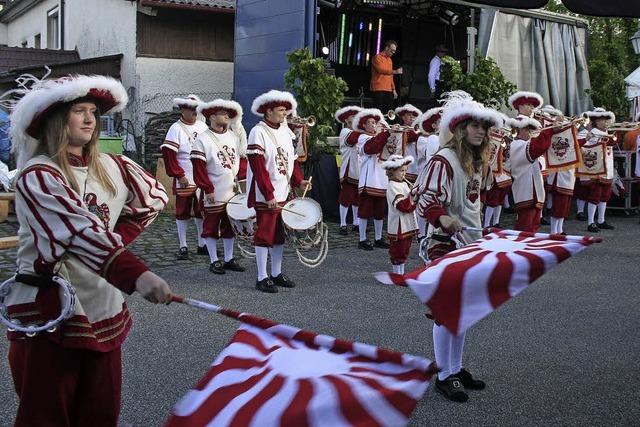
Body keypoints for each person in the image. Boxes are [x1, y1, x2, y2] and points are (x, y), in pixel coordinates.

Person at [3, 74, 172, 426]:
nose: (90, 118)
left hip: (102, 302)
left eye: (92, 111)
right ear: (55, 120)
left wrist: (119, 239)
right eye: (78, 110)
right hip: (51, 312)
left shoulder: (115, 165)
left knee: (100, 413)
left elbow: (153, 199)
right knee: (46, 416)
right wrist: (135, 272)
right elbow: (78, 230)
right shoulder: (38, 175)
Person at [413, 91, 503, 402]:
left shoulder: (477, 160)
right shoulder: (444, 159)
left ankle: (456, 367)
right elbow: (424, 199)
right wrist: (443, 219)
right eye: (474, 126)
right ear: (461, 128)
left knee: (463, 312)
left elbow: (473, 202)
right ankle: (444, 374)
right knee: (446, 312)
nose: (481, 131)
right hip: (444, 244)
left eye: (484, 127)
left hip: (471, 244)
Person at [246, 90, 310, 293]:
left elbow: (291, 160)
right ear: (269, 111)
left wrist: (299, 181)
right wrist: (268, 194)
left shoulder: (284, 130)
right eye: (281, 110)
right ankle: (261, 277)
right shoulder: (258, 132)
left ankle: (276, 273)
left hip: (283, 192)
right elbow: (258, 167)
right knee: (264, 235)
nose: (285, 114)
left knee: (279, 235)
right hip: (267, 194)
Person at [191, 99, 246, 274]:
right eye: (223, 114)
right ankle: (214, 260)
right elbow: (199, 169)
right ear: (212, 116)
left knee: (229, 225)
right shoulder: (202, 140)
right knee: (211, 226)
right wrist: (207, 189)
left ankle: (229, 258)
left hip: (231, 190)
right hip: (213, 191)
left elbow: (240, 161)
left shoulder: (232, 136)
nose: (227, 116)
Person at [161, 94, 209, 260]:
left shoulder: (203, 127)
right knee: (182, 212)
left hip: (201, 176)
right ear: (182, 109)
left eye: (196, 108)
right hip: (185, 177)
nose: (194, 112)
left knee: (200, 211)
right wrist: (179, 175)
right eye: (191, 109)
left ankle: (202, 244)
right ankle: (183, 246)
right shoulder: (175, 128)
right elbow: (169, 154)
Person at [352, 108, 394, 250]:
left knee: (379, 212)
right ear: (363, 125)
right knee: (365, 210)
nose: (373, 125)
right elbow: (372, 148)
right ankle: (362, 239)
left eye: (374, 122)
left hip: (381, 179)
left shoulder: (380, 136)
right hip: (368, 179)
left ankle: (378, 238)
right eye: (369, 122)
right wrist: (386, 132)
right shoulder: (362, 138)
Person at [509, 116, 554, 232]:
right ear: (518, 130)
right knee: (524, 229)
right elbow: (539, 147)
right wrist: (550, 129)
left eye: (530, 129)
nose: (530, 132)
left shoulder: (524, 144)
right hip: (526, 192)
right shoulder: (517, 145)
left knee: (532, 228)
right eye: (526, 129)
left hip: (534, 192)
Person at [580, 107, 617, 232]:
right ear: (595, 121)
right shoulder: (593, 133)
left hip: (607, 168)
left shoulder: (607, 132)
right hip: (597, 169)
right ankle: (591, 222)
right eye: (601, 120)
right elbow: (585, 148)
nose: (604, 122)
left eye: (605, 120)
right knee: (595, 196)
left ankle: (601, 220)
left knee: (605, 196)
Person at [383, 155, 417, 275]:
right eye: (401, 171)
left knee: (405, 249)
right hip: (398, 225)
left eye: (405, 171)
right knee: (398, 250)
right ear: (392, 171)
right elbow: (402, 206)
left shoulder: (403, 184)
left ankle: (401, 273)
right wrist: (413, 195)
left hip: (406, 224)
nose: (404, 174)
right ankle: (397, 274)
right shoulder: (392, 186)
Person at [412, 107, 443, 239]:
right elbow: (432, 157)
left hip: (439, 174)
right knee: (426, 203)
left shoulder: (439, 138)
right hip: (428, 174)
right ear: (434, 125)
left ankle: (433, 232)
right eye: (440, 122)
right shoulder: (428, 139)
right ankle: (421, 233)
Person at [335, 105, 362, 235]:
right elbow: (352, 139)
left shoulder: (359, 132)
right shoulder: (345, 131)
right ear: (346, 120)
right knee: (346, 197)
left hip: (359, 168)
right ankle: (343, 224)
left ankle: (356, 223)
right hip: (349, 168)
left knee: (357, 198)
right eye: (352, 116)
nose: (356, 119)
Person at [370, 40, 403, 113]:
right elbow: (380, 70)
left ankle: (387, 124)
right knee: (378, 110)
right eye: (392, 50)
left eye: (394, 51)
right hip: (378, 88)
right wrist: (395, 71)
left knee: (388, 111)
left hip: (388, 89)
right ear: (386, 48)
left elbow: (390, 76)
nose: (393, 52)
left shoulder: (390, 60)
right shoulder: (377, 57)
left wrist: (393, 89)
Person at [394, 104, 421, 183]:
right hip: (405, 163)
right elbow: (409, 137)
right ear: (403, 117)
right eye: (409, 115)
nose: (412, 117)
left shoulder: (417, 130)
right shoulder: (400, 129)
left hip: (416, 163)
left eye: (414, 116)